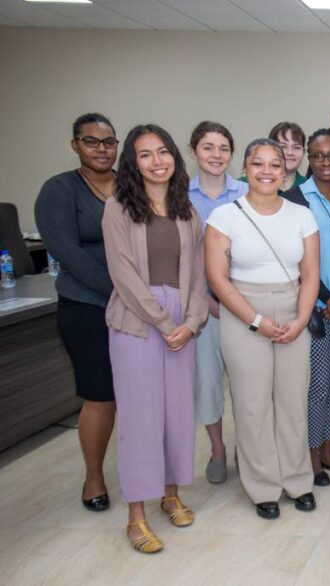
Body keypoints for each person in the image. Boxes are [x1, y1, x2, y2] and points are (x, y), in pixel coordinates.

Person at [102, 124, 208, 552]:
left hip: (184, 322)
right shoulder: (118, 208)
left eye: (163, 152)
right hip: (137, 322)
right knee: (141, 418)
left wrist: (193, 320)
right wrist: (166, 323)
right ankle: (136, 515)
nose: (157, 161)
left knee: (177, 414)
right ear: (133, 162)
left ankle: (171, 493)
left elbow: (200, 274)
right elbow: (123, 274)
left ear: (174, 158)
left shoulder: (188, 210)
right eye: (145, 155)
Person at [205, 138, 319, 519]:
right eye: (258, 163)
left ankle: (298, 480)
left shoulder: (301, 215)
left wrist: (301, 319)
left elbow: (310, 274)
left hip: (293, 308)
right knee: (252, 404)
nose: (267, 171)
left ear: (285, 170)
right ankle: (263, 487)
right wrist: (256, 320)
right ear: (246, 168)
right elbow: (218, 280)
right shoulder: (224, 216)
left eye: (275, 164)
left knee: (292, 402)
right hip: (242, 311)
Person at [34, 113, 119, 513]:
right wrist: (123, 292)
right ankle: (94, 477)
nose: (102, 149)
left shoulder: (131, 185)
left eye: (109, 141)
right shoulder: (60, 190)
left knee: (136, 397)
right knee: (101, 396)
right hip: (87, 307)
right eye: (92, 141)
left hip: (140, 308)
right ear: (75, 145)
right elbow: (67, 253)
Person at [282, 128, 330, 487]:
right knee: (314, 386)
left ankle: (328, 449)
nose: (326, 162)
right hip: (313, 309)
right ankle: (311, 457)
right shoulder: (295, 199)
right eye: (318, 155)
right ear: (309, 160)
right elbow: (295, 260)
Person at [186, 121, 247, 485]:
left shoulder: (246, 192)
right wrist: (206, 302)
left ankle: (246, 446)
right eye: (208, 147)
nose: (216, 155)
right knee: (208, 383)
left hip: (244, 305)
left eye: (223, 148)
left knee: (247, 383)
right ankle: (218, 449)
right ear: (193, 151)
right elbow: (180, 257)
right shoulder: (178, 195)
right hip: (201, 307)